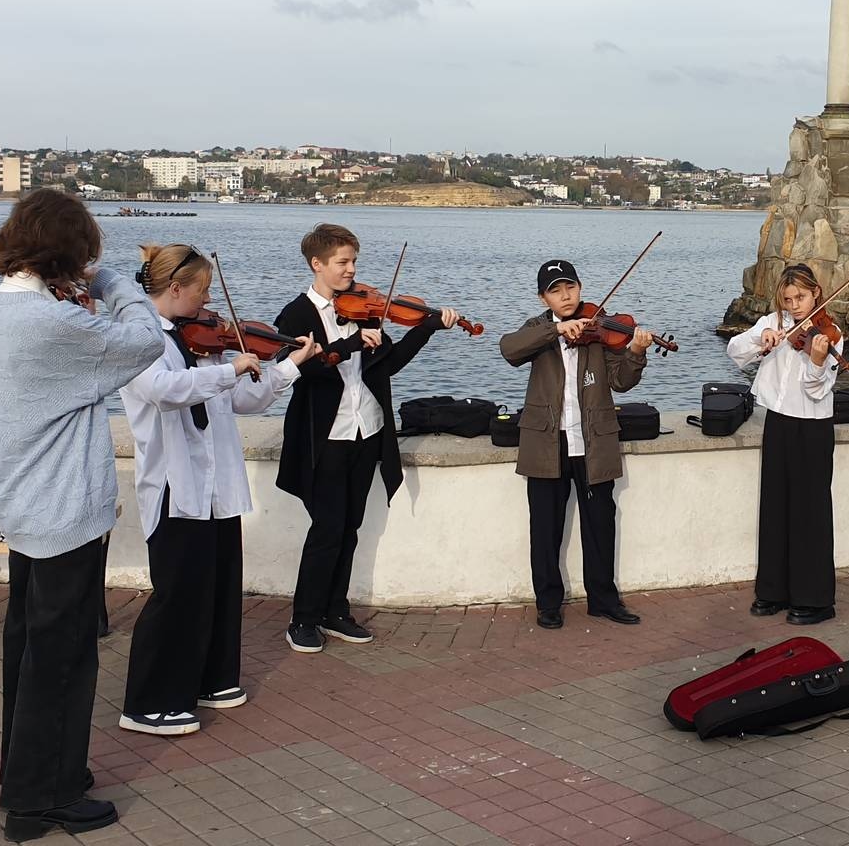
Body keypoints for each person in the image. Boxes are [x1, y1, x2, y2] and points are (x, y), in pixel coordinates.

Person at [0, 189, 163, 841]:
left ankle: (37, 773)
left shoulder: (1, 307)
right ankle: (39, 800)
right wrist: (109, 279)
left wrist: (73, 290)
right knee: (63, 655)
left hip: (25, 504)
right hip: (60, 511)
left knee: (29, 648)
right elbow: (144, 340)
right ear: (69, 255)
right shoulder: (54, 322)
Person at [118, 244, 321, 736]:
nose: (210, 304)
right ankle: (148, 701)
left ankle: (211, 679)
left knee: (217, 588)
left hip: (215, 485)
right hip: (175, 484)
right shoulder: (141, 339)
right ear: (175, 288)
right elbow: (166, 390)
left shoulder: (203, 343)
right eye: (203, 291)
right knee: (177, 595)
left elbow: (244, 399)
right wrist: (229, 367)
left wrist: (288, 366)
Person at [274, 224, 458, 653]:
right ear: (317, 264)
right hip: (325, 437)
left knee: (351, 527)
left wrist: (426, 328)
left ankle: (335, 611)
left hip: (367, 430)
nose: (351, 270)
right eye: (342, 262)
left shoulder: (365, 308)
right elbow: (303, 372)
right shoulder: (296, 315)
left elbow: (387, 366)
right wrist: (352, 342)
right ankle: (303, 618)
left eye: (353, 261)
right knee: (326, 529)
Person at [500, 260, 653, 629]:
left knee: (600, 524)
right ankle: (548, 603)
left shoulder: (599, 328)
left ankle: (603, 599)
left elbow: (621, 382)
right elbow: (509, 349)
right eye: (555, 290)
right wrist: (556, 330)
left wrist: (635, 353)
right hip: (546, 441)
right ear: (543, 297)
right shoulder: (538, 329)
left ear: (580, 288)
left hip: (593, 441)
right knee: (545, 527)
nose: (565, 295)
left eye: (570, 287)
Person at [726, 263, 844, 625]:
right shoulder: (773, 322)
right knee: (775, 507)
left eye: (801, 298)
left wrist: (818, 362)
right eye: (788, 299)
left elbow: (817, 390)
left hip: (812, 427)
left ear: (817, 294)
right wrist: (758, 340)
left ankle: (816, 599)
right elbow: (735, 351)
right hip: (777, 421)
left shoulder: (831, 334)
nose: (794, 306)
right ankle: (773, 591)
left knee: (810, 513)